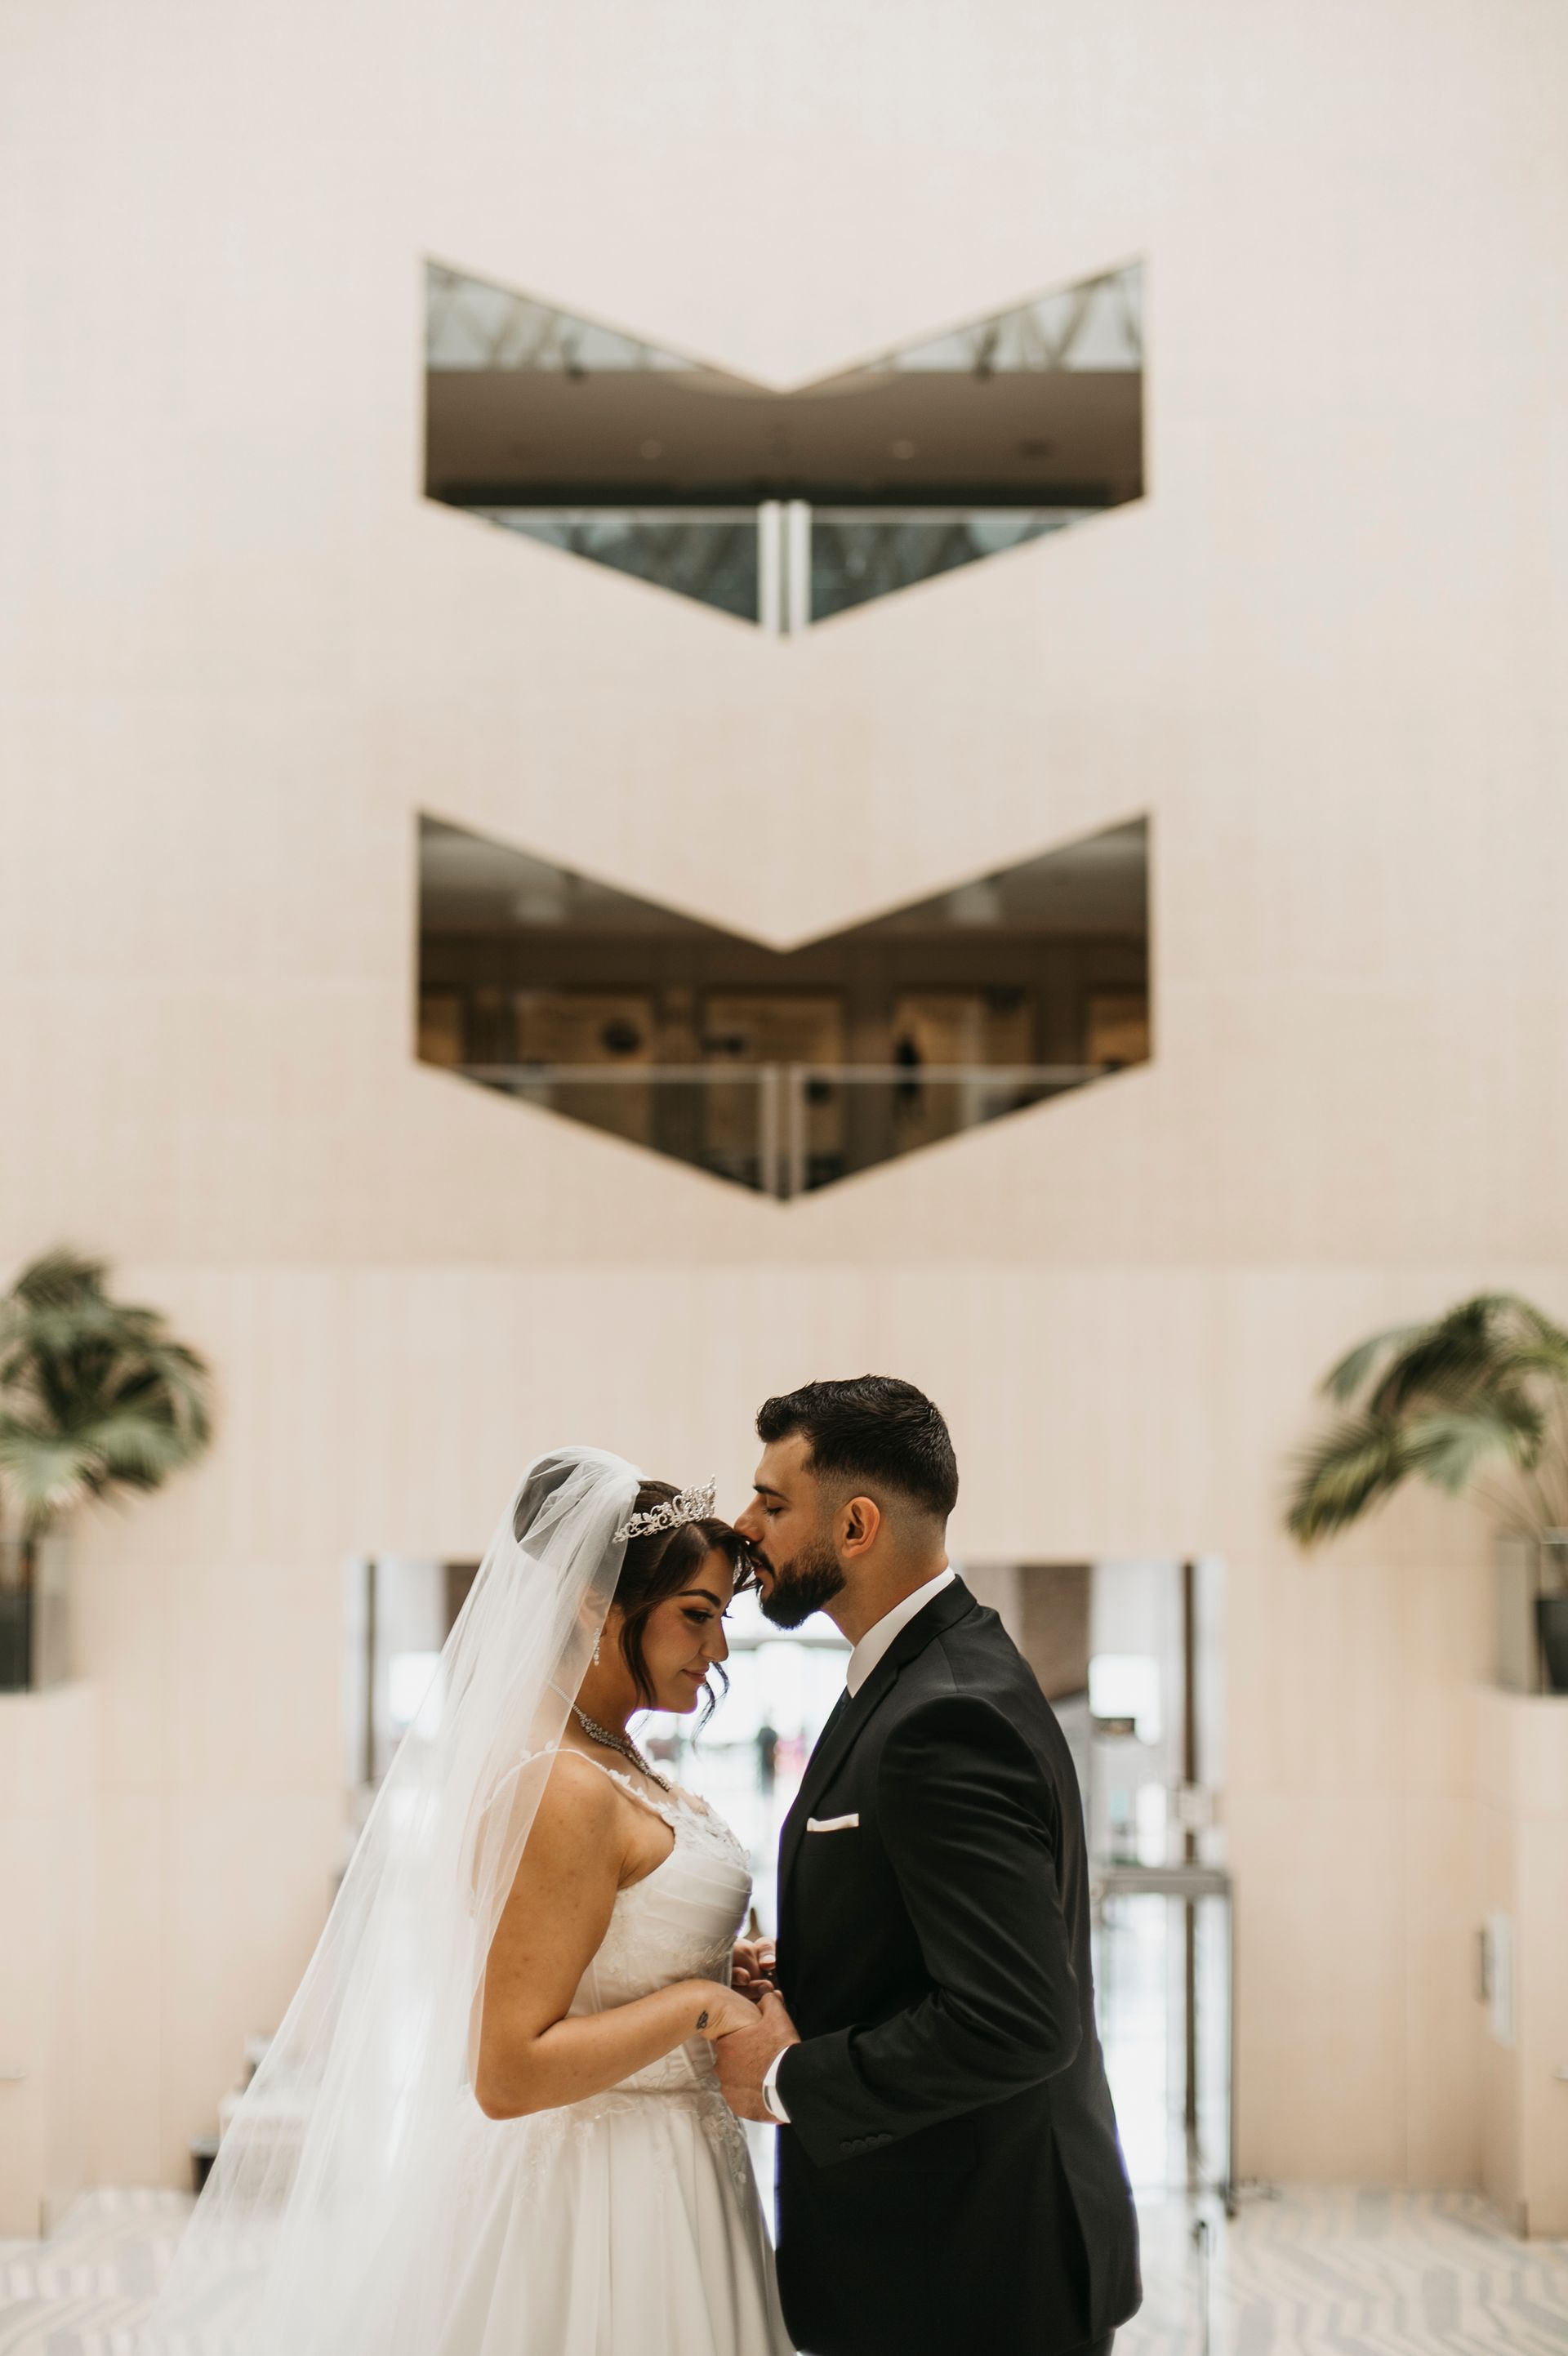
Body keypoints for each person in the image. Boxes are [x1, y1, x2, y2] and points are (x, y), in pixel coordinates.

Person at [141, 1449, 791, 2356]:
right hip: (597, 2191)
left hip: (677, 2165)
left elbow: (609, 1958)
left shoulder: (615, 1756)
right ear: (593, 1604)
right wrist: (701, 2002)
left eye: (720, 1618)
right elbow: (509, 2069)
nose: (716, 1648)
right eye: (696, 1615)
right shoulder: (565, 1782)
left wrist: (721, 1967)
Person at [717, 1376, 1142, 2356]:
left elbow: (1018, 2018)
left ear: (856, 1524)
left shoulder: (941, 1713)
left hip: (974, 2277)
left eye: (774, 1503)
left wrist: (786, 2076)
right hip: (963, 2254)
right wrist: (820, 1962)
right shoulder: (931, 1669)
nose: (746, 1527)